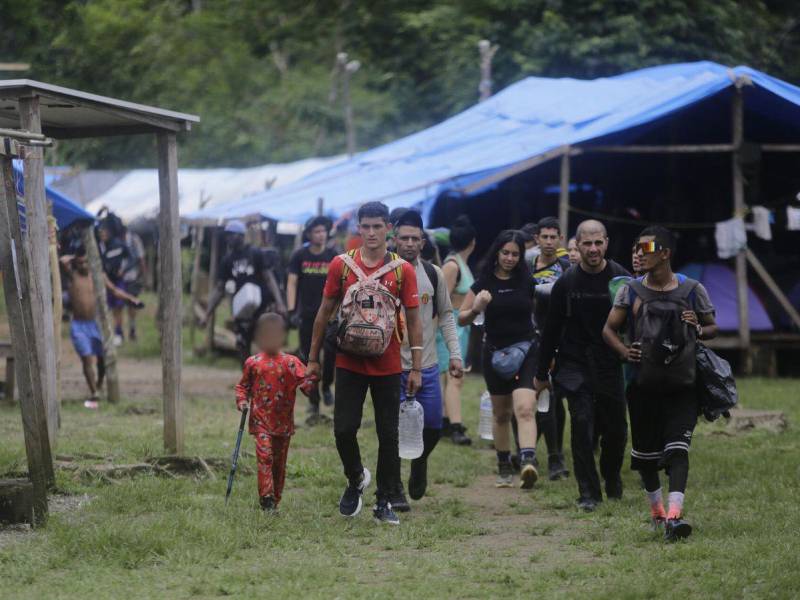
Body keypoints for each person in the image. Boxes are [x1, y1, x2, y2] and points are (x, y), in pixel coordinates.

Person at [306, 201, 423, 525]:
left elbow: (414, 320)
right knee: (343, 428)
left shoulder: (403, 271)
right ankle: (356, 477)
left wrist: (415, 366)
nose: (371, 233)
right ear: (358, 228)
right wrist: (312, 360)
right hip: (347, 360)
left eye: (377, 227)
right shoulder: (340, 266)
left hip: (388, 364)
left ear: (389, 229)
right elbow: (323, 313)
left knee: (389, 434)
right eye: (366, 227)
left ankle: (384, 499)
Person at [603, 226, 717, 541]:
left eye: (647, 248)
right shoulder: (630, 291)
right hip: (642, 386)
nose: (639, 253)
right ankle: (657, 513)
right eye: (637, 248)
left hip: (684, 384)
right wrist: (625, 352)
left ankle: (673, 517)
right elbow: (608, 330)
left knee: (678, 450)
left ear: (665, 252)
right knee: (645, 458)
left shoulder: (694, 289)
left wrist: (697, 327)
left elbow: (712, 329)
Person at [534, 220, 630, 511]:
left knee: (616, 430)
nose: (593, 249)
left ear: (606, 243)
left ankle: (611, 476)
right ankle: (588, 493)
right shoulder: (567, 282)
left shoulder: (620, 279)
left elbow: (636, 320)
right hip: (574, 363)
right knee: (582, 426)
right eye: (586, 243)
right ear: (577, 244)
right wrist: (541, 373)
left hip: (609, 362)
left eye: (598, 243)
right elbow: (550, 330)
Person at [392, 209, 463, 510]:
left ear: (422, 242)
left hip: (429, 365)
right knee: (392, 430)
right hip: (392, 367)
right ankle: (394, 490)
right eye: (404, 238)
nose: (409, 243)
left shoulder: (433, 274)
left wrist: (455, 355)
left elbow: (447, 315)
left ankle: (419, 463)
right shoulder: (384, 273)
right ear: (394, 240)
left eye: (414, 238)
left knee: (433, 425)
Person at [459, 230, 539, 489]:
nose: (510, 258)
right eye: (505, 252)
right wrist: (476, 308)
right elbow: (461, 318)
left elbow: (543, 312)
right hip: (494, 353)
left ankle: (528, 460)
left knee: (525, 407)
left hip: (527, 349)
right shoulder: (483, 283)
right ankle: (504, 464)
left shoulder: (528, 282)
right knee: (501, 413)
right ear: (497, 253)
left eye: (515, 254)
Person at [235, 313, 315, 512]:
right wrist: (243, 401)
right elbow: (242, 387)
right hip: (260, 421)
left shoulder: (291, 362)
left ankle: (276, 498)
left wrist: (312, 379)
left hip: (283, 423)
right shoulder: (253, 363)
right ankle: (266, 497)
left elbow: (307, 384)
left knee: (279, 463)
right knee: (265, 456)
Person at [60, 247, 143, 409]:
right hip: (78, 325)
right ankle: (94, 393)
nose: (84, 265)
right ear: (77, 263)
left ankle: (98, 384)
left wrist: (131, 299)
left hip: (97, 324)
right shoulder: (72, 276)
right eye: (80, 262)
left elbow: (115, 291)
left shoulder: (99, 277)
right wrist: (74, 257)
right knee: (86, 358)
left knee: (102, 359)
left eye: (86, 261)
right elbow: (62, 261)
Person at [201, 220, 286, 365]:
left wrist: (279, 303)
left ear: (240, 236)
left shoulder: (255, 253)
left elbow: (269, 278)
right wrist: (207, 314)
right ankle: (248, 380)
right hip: (242, 309)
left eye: (231, 235)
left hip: (262, 308)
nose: (228, 238)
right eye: (227, 236)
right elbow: (220, 288)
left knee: (267, 344)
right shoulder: (227, 260)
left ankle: (268, 379)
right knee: (242, 344)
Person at [528, 217, 571, 480]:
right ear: (536, 239)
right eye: (544, 237)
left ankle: (555, 456)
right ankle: (530, 451)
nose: (548, 241)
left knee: (554, 400)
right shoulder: (525, 265)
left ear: (560, 240)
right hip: (529, 340)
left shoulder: (566, 269)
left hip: (557, 341)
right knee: (529, 398)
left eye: (553, 237)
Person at [287, 216, 338, 418]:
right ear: (309, 235)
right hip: (307, 316)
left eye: (323, 231)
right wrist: (291, 310)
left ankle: (327, 386)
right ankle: (314, 401)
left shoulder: (334, 256)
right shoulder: (299, 255)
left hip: (331, 316)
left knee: (331, 356)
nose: (321, 235)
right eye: (317, 231)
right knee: (309, 358)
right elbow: (291, 282)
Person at [437, 215, 476, 445]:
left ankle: (444, 421)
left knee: (448, 377)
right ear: (473, 242)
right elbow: (441, 300)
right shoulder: (452, 266)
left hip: (460, 326)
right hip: (449, 327)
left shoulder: (459, 263)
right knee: (454, 377)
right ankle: (456, 426)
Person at [97, 219, 131, 347]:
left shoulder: (119, 244)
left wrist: (124, 269)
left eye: (104, 232)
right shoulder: (99, 246)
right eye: (101, 232)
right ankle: (108, 334)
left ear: (110, 232)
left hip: (118, 282)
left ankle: (118, 333)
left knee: (118, 308)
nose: (103, 234)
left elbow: (131, 258)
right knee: (106, 308)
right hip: (104, 282)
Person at [121, 226, 146, 342]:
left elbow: (141, 258)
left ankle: (132, 328)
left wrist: (141, 275)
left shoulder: (134, 239)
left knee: (131, 304)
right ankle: (119, 331)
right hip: (119, 277)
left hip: (132, 276)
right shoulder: (115, 238)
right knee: (118, 306)